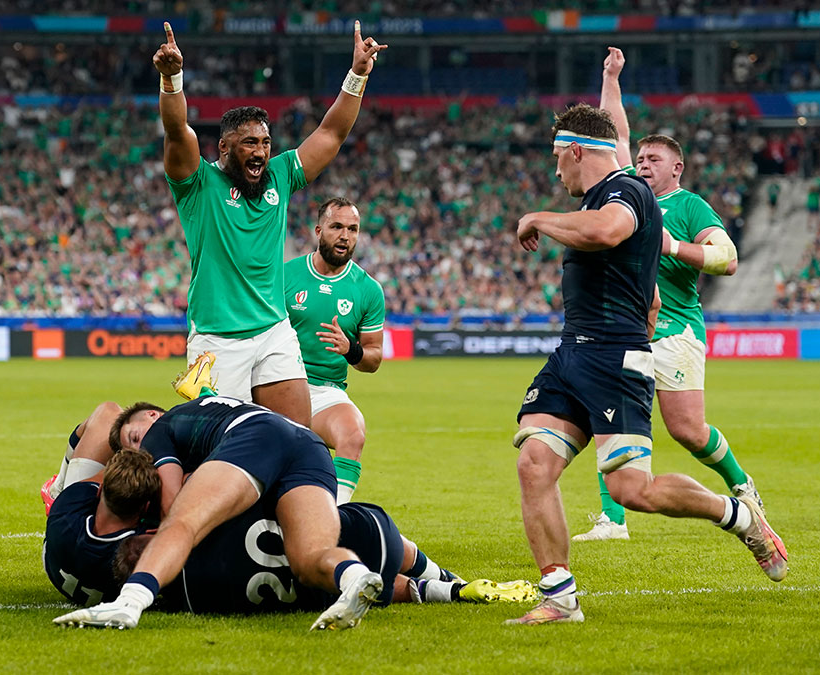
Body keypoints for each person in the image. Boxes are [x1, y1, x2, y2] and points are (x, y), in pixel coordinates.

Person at [509, 104, 787, 625]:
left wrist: (538, 218)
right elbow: (648, 292)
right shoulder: (598, 195)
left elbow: (607, 232)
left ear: (575, 151)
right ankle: (559, 595)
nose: (555, 170)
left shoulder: (626, 193)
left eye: (557, 157)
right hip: (574, 352)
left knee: (633, 490)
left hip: (614, 360)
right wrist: (610, 83)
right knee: (534, 462)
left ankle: (739, 515)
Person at [154, 20, 386, 427]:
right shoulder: (198, 184)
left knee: (296, 438)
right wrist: (172, 79)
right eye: (250, 143)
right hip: (217, 341)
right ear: (224, 147)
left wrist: (357, 76)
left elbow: (331, 132)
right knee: (222, 452)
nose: (261, 151)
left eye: (265, 143)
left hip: (274, 333)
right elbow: (177, 130)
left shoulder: (279, 175)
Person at [575, 46, 760, 542]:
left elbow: (728, 258)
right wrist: (611, 77)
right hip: (628, 330)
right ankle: (613, 521)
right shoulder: (625, 200)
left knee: (688, 431)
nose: (641, 165)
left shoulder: (689, 205)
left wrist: (673, 244)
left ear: (676, 168)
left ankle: (742, 486)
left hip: (676, 329)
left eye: (653, 160)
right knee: (604, 416)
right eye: (638, 160)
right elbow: (613, 134)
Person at [54, 397, 383, 631]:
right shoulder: (198, 418)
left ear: (153, 415)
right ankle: (353, 577)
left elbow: (172, 508)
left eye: (135, 437)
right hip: (309, 446)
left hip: (258, 435)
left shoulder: (160, 431)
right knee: (310, 558)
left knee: (183, 522)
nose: (139, 451)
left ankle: (130, 602)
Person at [114, 500, 537, 615]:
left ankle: (449, 592)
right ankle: (452, 577)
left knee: (378, 586)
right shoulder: (201, 529)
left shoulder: (195, 598)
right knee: (388, 548)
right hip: (368, 537)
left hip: (318, 593)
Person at [283, 197, 385, 503]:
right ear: (318, 230)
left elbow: (374, 357)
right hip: (277, 382)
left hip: (325, 392)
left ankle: (335, 516)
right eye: (336, 226)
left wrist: (351, 350)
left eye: (352, 229)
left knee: (353, 433)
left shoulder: (367, 289)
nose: (345, 236)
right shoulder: (285, 276)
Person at [43, 448, 159, 606]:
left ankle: (57, 485)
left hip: (57, 569)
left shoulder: (65, 507)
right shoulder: (137, 550)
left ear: (98, 492)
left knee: (100, 424)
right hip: (106, 591)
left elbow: (101, 479)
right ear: (146, 507)